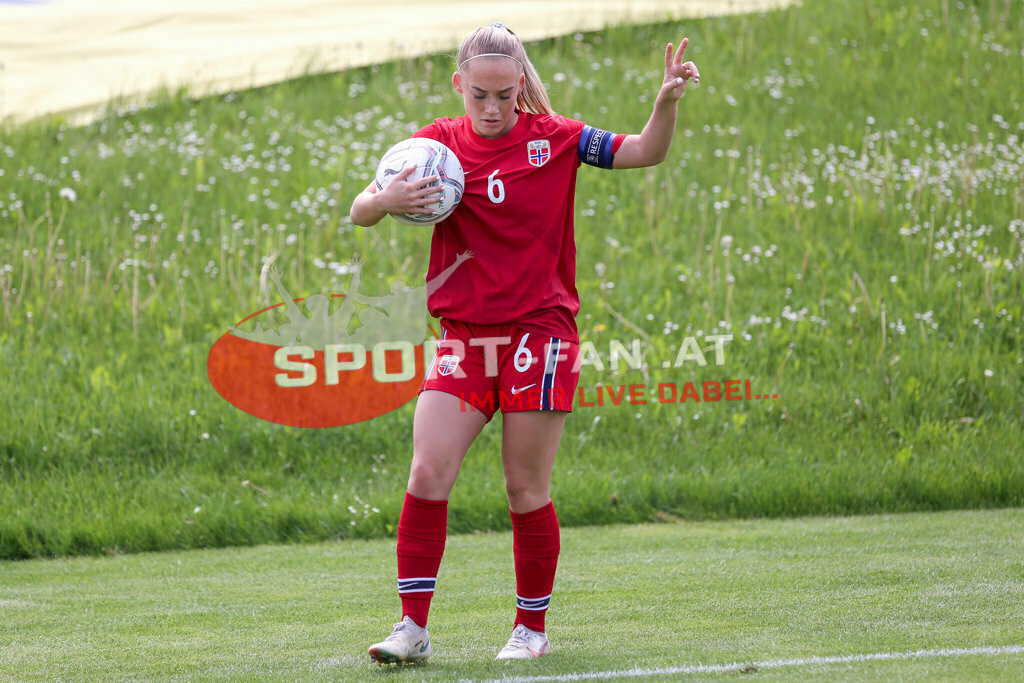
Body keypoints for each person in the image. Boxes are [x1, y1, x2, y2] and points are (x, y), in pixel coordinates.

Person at [349, 22, 699, 664]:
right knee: (428, 470)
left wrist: (666, 103)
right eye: (478, 94)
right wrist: (387, 197)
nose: (490, 108)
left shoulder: (557, 138)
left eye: (504, 95)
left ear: (521, 88)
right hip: (463, 335)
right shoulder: (434, 146)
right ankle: (411, 627)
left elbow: (646, 151)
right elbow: (358, 210)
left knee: (523, 487)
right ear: (459, 84)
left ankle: (530, 629)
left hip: (540, 332)